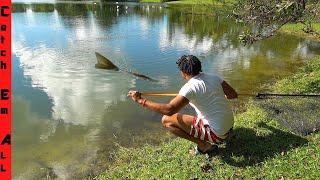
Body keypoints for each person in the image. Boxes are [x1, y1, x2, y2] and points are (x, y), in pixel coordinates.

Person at [127, 55, 238, 155]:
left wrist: (140, 100)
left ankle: (204, 146)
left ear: (183, 73)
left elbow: (169, 110)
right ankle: (220, 136)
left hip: (217, 134)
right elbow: (232, 95)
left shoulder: (190, 87)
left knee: (166, 120)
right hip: (229, 127)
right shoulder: (214, 77)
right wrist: (214, 95)